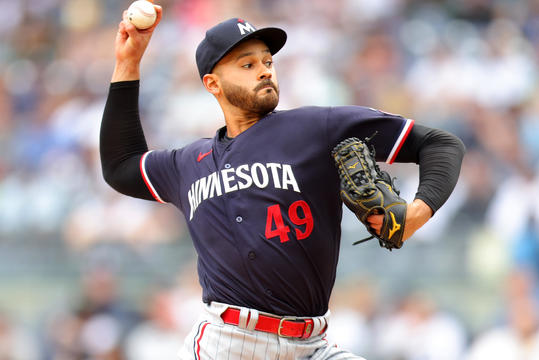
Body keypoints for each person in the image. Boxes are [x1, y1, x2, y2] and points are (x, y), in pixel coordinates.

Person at [100, 4, 465, 359]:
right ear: (212, 83)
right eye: (247, 64)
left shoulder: (316, 128)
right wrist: (128, 62)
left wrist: (419, 210)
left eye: (268, 62)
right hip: (224, 345)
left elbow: (440, 144)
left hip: (312, 344)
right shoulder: (187, 164)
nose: (264, 71)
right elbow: (120, 166)